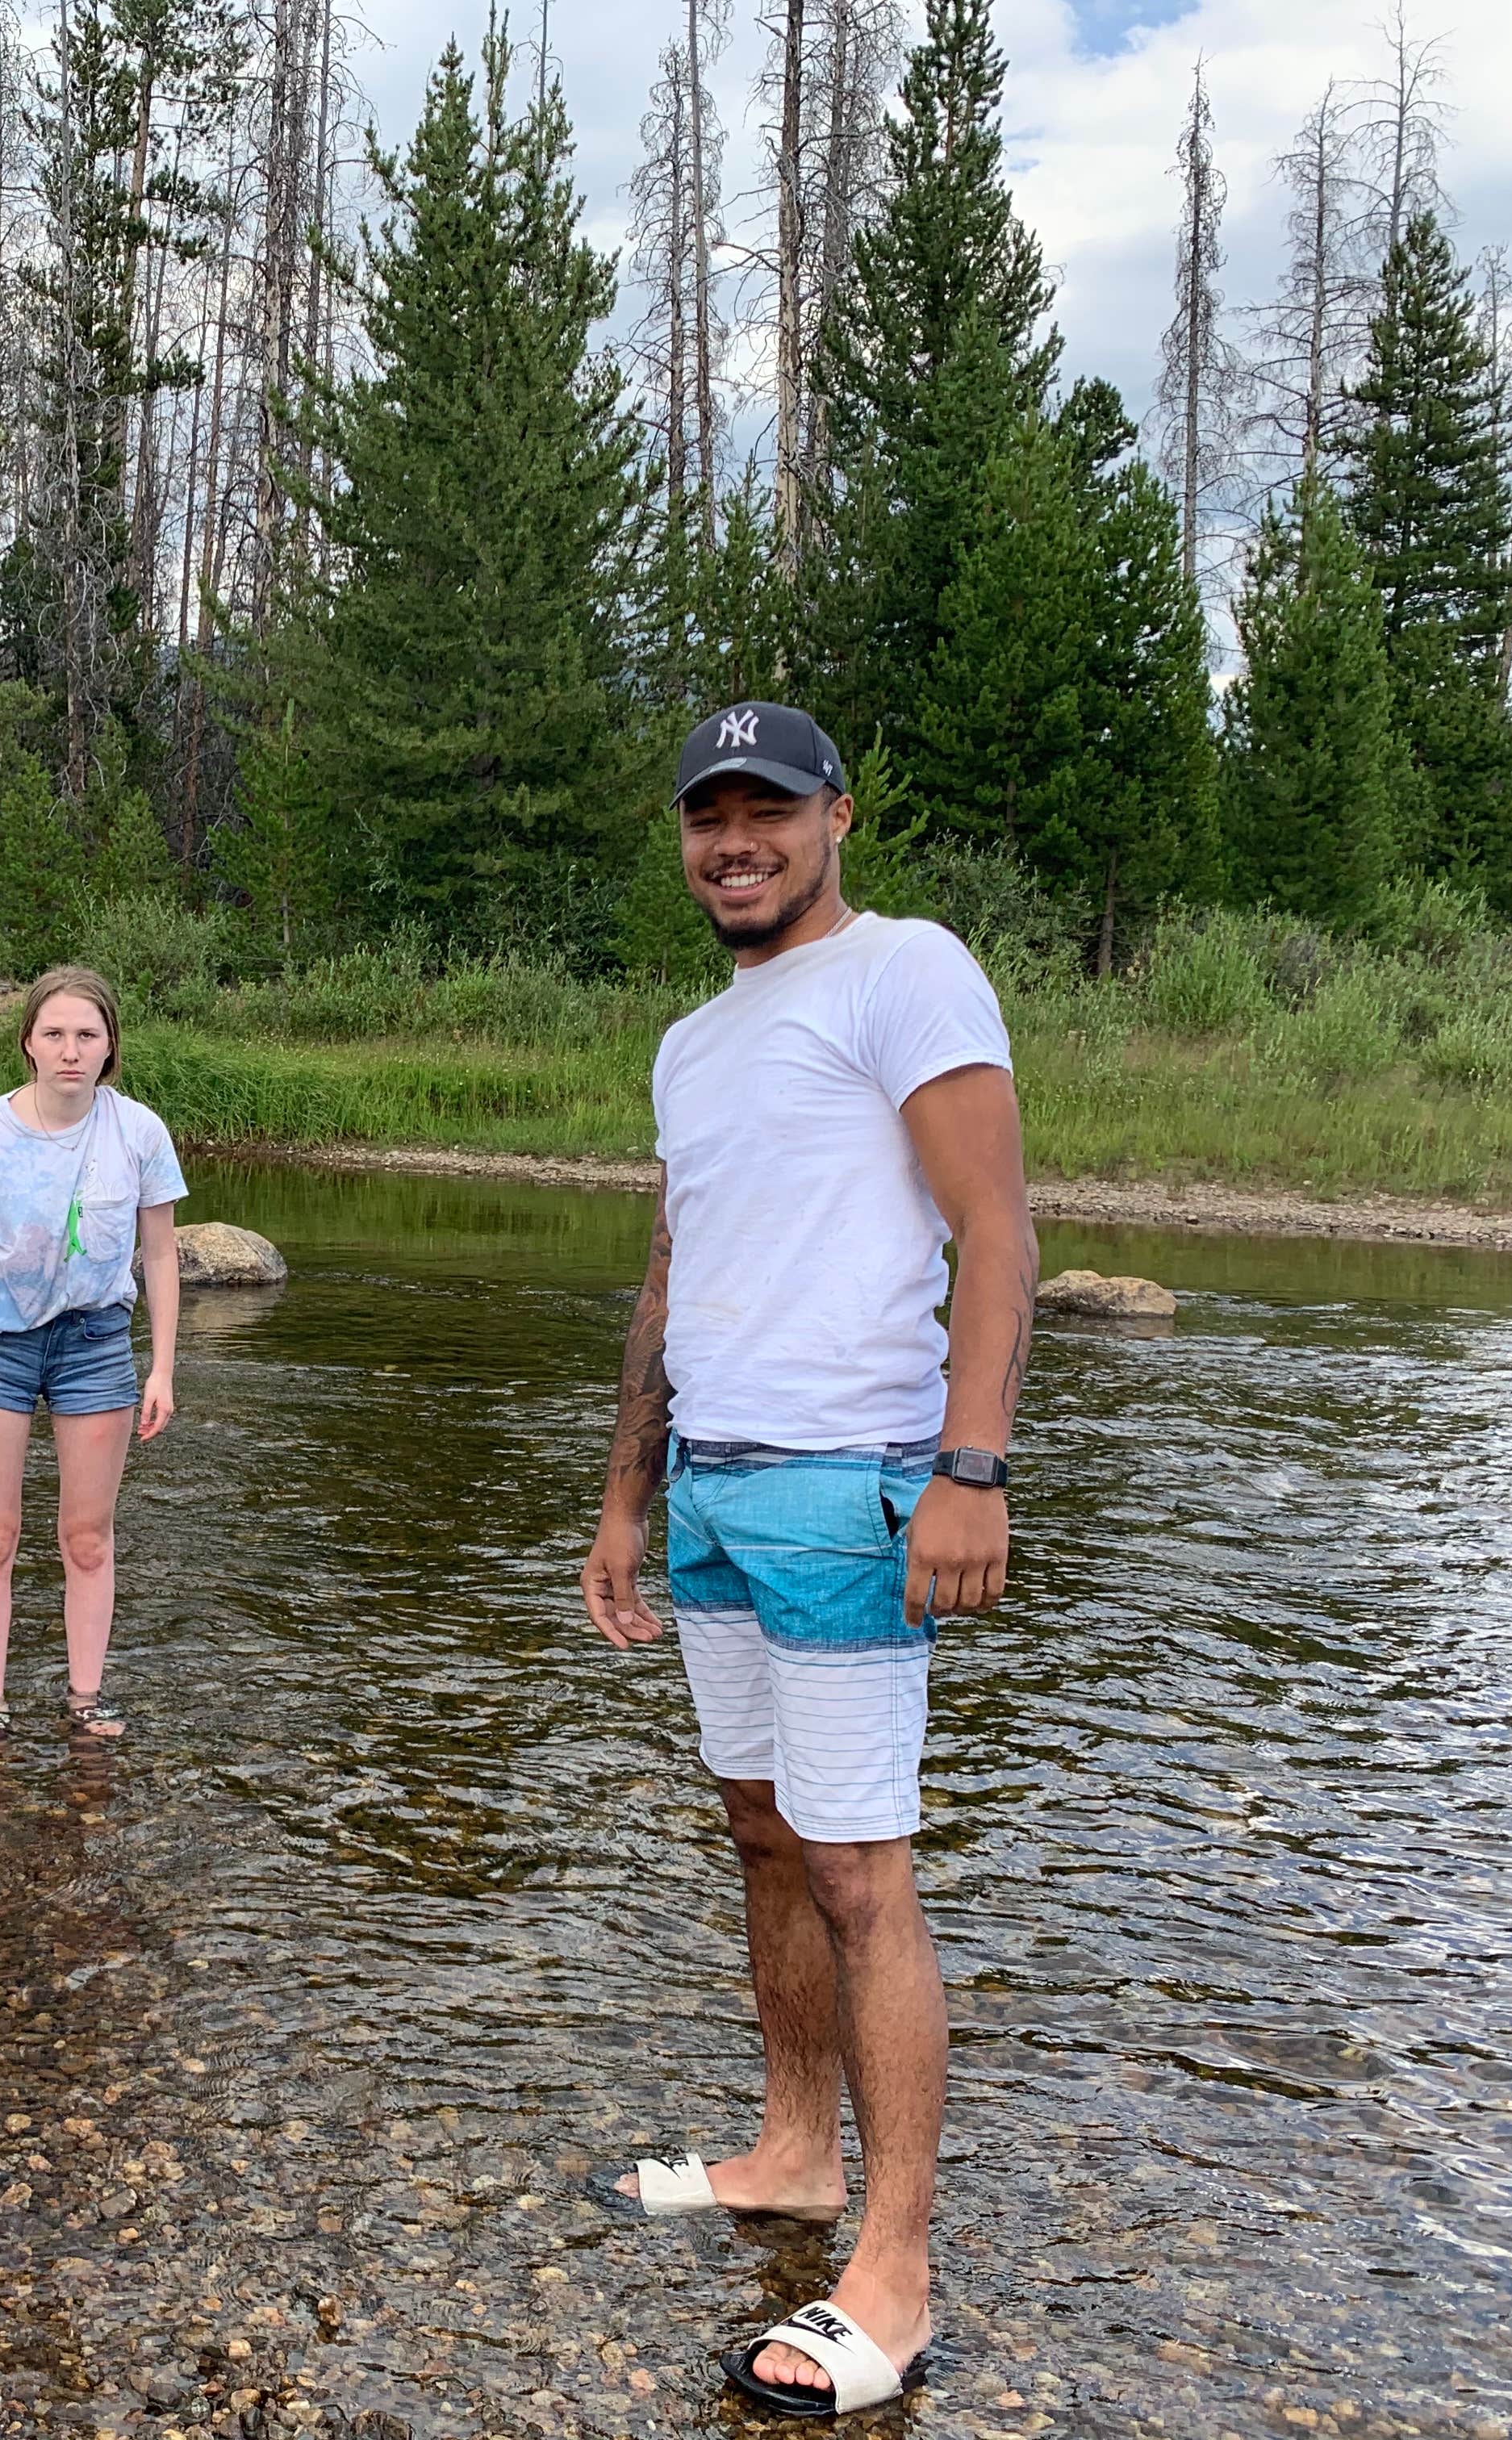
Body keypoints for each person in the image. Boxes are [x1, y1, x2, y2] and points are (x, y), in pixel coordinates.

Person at [580, 704, 1037, 2420]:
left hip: (852, 1485)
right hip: (711, 1485)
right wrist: (626, 1500)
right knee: (763, 1831)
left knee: (859, 1868)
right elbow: (670, 1274)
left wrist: (970, 1469)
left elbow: (998, 1224)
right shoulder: (691, 1042)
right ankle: (792, 2150)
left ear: (836, 815)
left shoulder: (905, 969)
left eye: (767, 807)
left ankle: (895, 2274)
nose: (736, 840)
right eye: (708, 814)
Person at [0, 965, 186, 1744]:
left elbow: (161, 1254)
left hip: (95, 1346)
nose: (71, 1050)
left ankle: (86, 1698)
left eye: (87, 1035)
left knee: (88, 1538)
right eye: (55, 1034)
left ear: (109, 1047)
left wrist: (162, 1368)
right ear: (29, 1044)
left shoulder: (138, 1133)